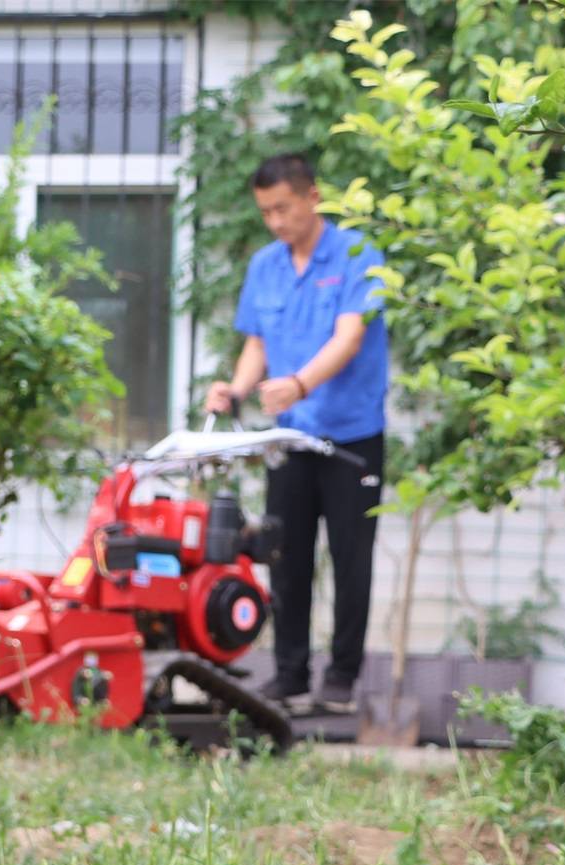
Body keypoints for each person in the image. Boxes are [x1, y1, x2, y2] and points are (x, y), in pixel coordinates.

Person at [203, 152, 389, 715]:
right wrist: (235, 391)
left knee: (351, 559)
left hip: (351, 439)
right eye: (266, 212)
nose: (276, 222)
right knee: (285, 556)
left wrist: (301, 384)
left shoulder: (358, 254)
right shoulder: (265, 265)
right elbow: (257, 344)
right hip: (289, 439)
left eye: (283, 208)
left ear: (313, 197)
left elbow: (349, 336)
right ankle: (289, 674)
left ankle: (342, 677)